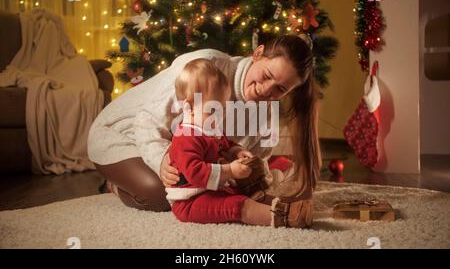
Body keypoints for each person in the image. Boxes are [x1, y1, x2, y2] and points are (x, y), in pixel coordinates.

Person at [88, 35, 321, 214]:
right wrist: (160, 161)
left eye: (280, 89)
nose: (266, 90)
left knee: (202, 190)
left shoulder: (265, 109)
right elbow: (148, 120)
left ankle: (139, 177)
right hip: (123, 133)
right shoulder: (205, 66)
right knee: (166, 195)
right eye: (267, 75)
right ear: (258, 53)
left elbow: (254, 158)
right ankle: (117, 184)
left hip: (182, 151)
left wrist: (245, 166)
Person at [167, 59, 312, 228]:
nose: (219, 117)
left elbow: (226, 143)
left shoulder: (208, 128)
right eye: (213, 110)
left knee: (247, 192)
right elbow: (196, 172)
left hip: (213, 190)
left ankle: (282, 205)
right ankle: (285, 217)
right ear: (190, 107)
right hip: (190, 201)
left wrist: (237, 151)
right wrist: (230, 170)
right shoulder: (185, 137)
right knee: (237, 205)